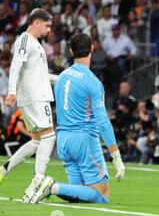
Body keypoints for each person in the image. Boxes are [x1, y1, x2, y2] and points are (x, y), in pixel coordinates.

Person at [29, 33, 125, 204]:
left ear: (71, 51)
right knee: (101, 196)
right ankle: (52, 187)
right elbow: (103, 122)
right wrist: (116, 156)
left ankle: (50, 187)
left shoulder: (62, 78)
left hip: (63, 141)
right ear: (92, 49)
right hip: (84, 140)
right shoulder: (92, 82)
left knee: (80, 195)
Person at [0, 8, 57, 204]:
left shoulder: (34, 43)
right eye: (47, 25)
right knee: (50, 136)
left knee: (37, 141)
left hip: (33, 96)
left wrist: (61, 79)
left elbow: (40, 74)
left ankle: (2, 170)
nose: (49, 30)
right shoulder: (26, 40)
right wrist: (11, 91)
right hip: (35, 97)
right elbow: (15, 65)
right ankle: (38, 180)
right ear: (35, 22)